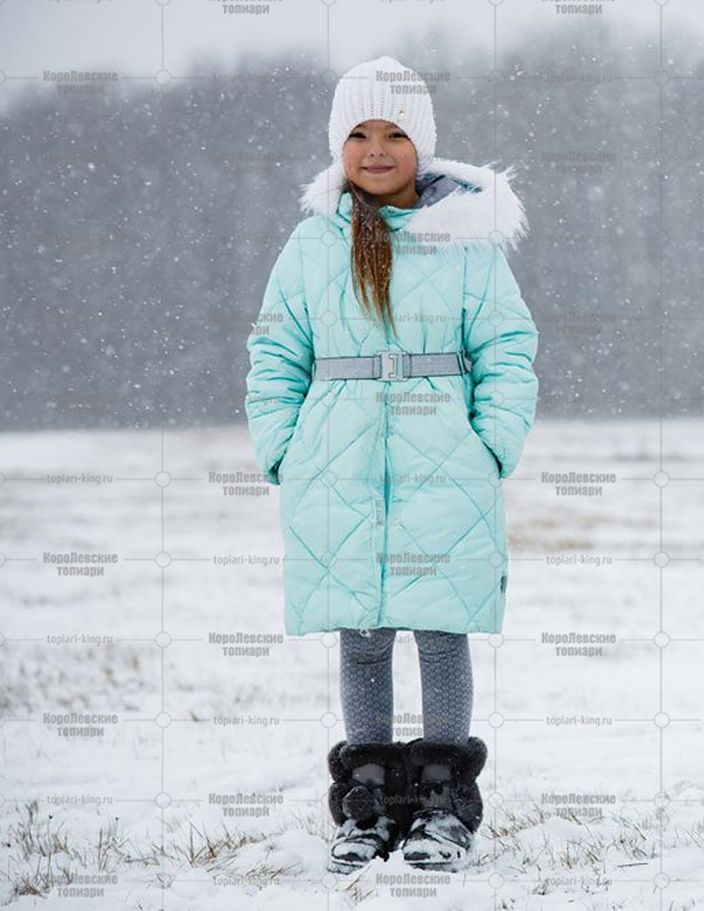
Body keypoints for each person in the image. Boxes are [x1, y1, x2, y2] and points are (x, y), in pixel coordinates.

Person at [243, 55, 538, 874]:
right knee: (363, 633)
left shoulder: (468, 244)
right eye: (360, 134)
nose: (377, 150)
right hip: (335, 465)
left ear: (424, 144)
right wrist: (281, 446)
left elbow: (508, 349)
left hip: (444, 464)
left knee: (441, 630)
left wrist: (492, 443)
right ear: (339, 147)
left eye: (396, 133)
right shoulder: (310, 247)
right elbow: (275, 355)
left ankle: (442, 803)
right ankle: (368, 799)